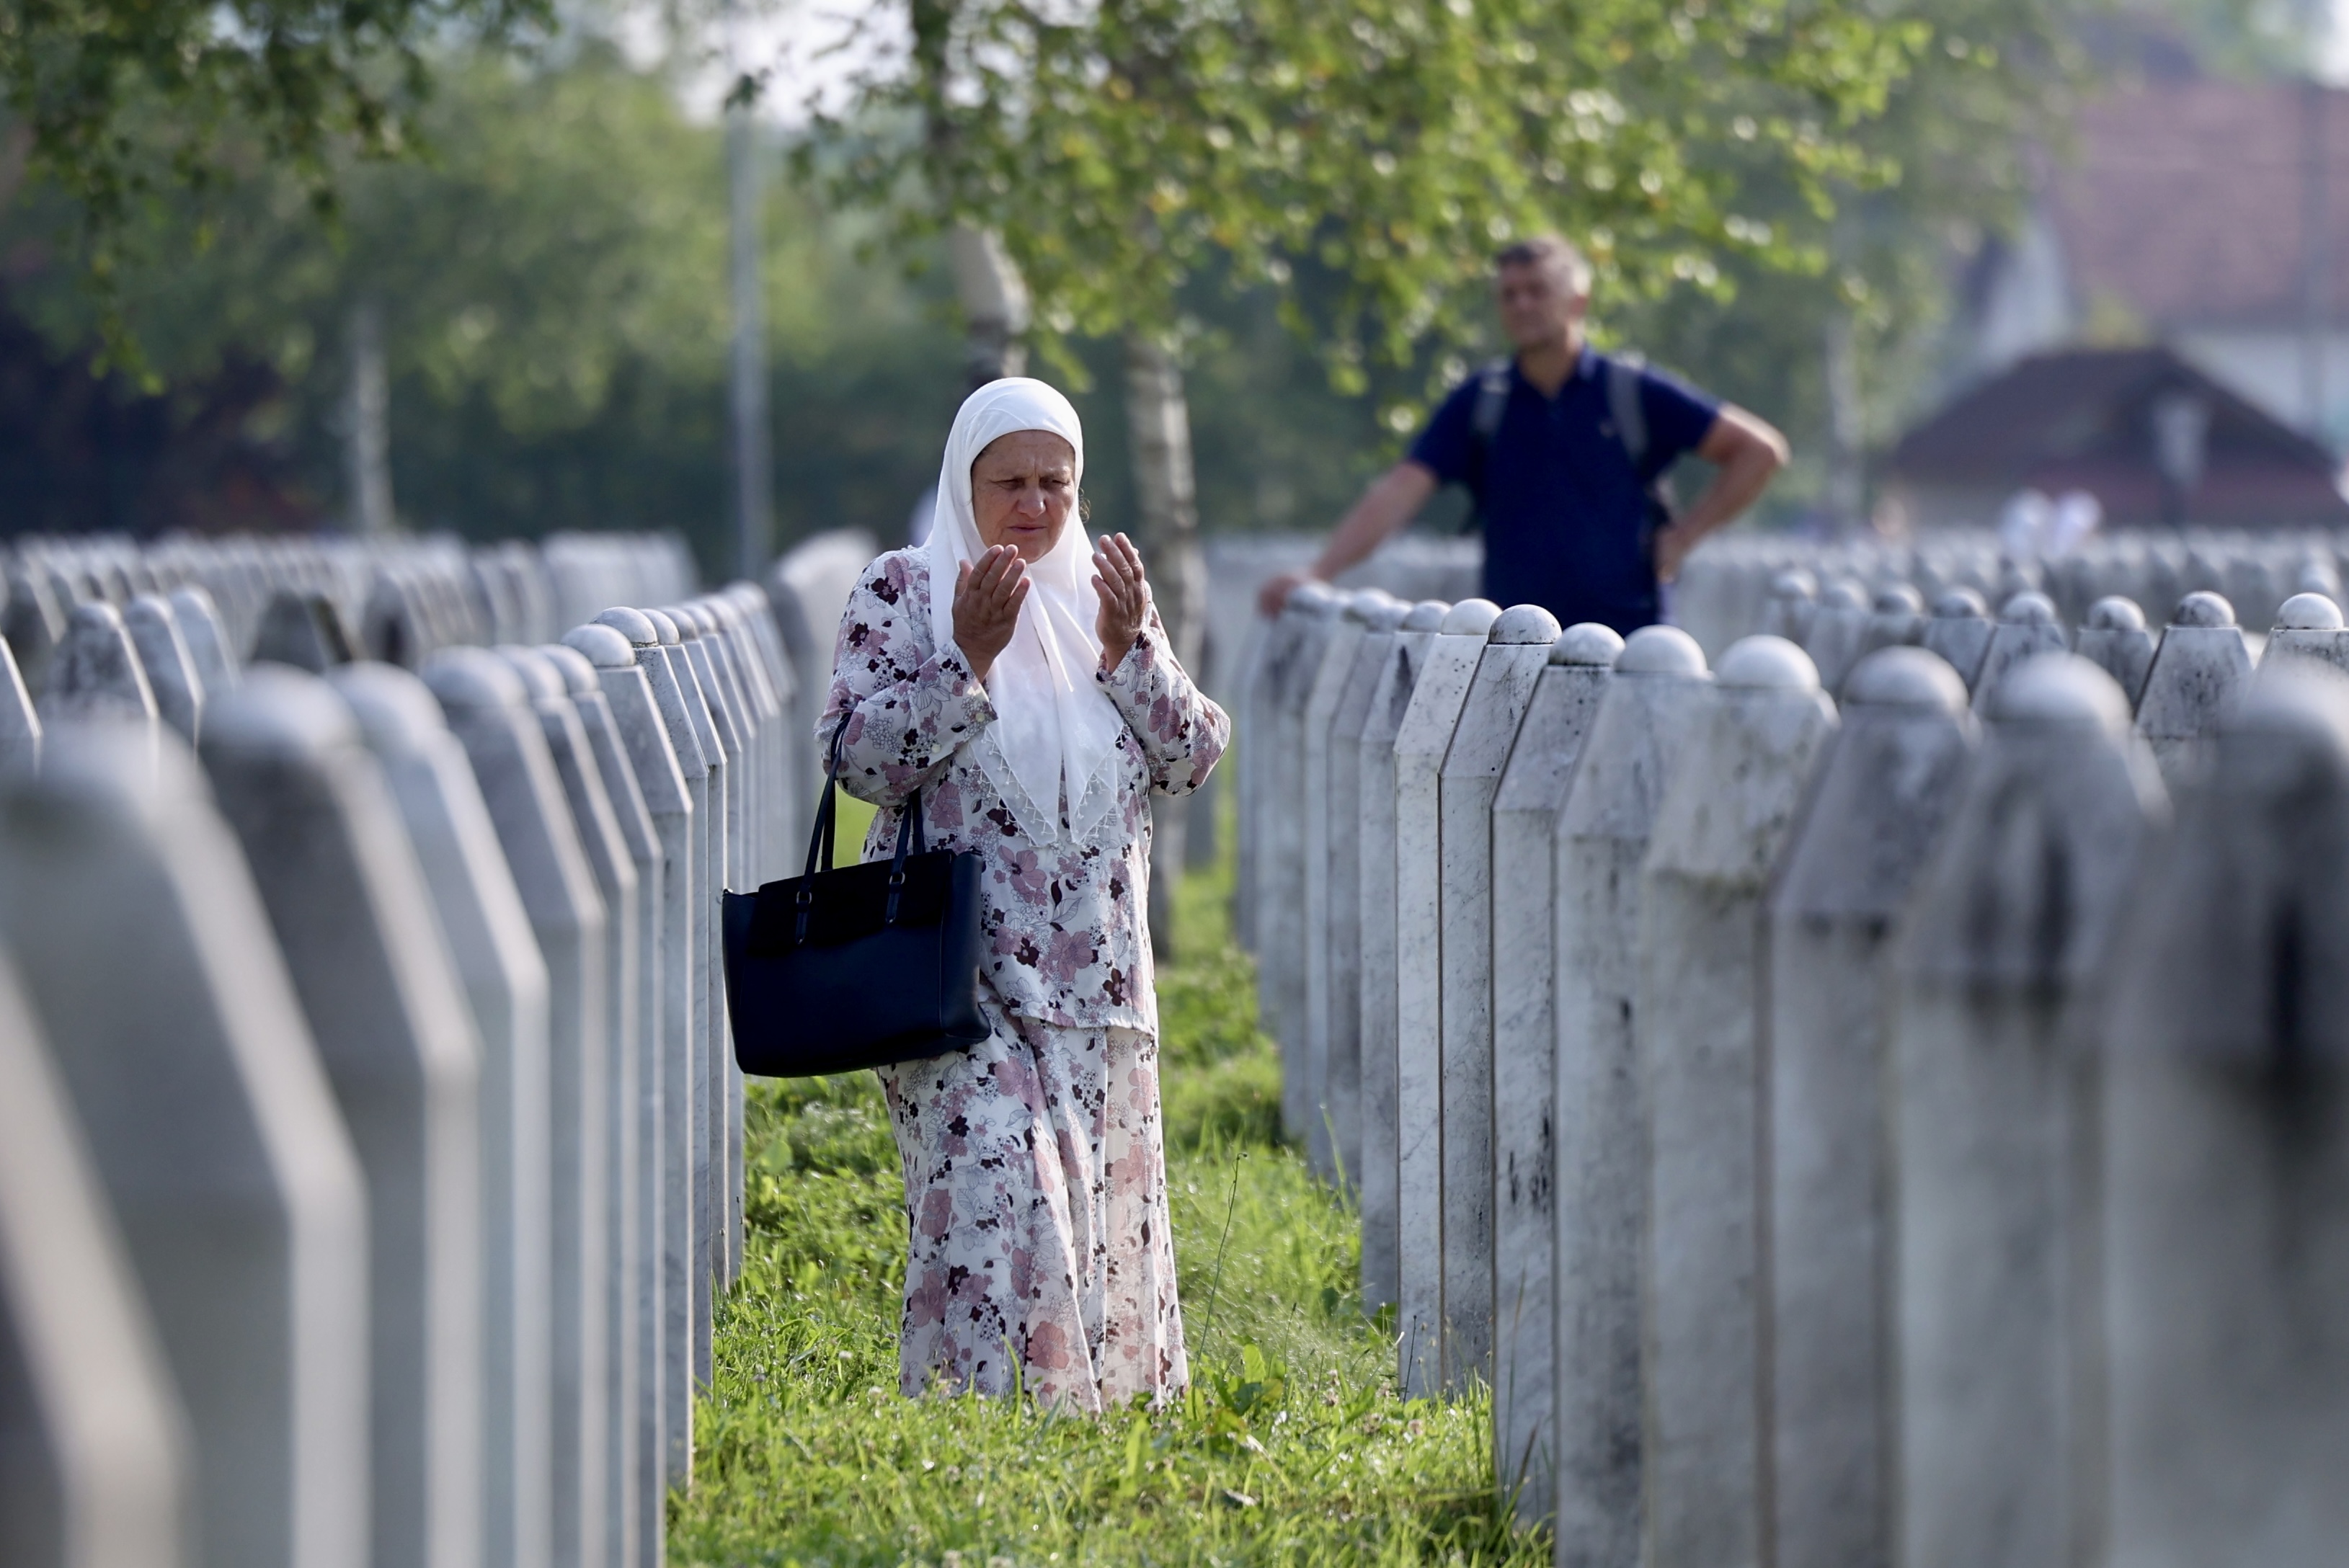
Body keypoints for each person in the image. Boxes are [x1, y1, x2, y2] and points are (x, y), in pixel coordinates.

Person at [820, 377, 1228, 1411]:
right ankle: (973, 1436)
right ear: (965, 482)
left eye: (1055, 481)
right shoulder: (902, 592)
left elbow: (1190, 758)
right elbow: (855, 756)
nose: (1034, 506)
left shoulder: (1105, 594)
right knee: (999, 1193)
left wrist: (1131, 650)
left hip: (1094, 990)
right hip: (957, 977)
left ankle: (1080, 1447)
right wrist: (965, 659)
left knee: (1083, 1216)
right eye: (1009, 482)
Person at [1258, 234, 1789, 631]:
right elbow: (1400, 491)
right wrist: (1319, 571)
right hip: (1514, 651)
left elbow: (1759, 451)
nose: (1521, 305)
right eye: (1508, 295)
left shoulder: (1630, 392)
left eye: (1537, 291)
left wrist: (1685, 536)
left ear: (1577, 301)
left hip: (1631, 647)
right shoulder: (1481, 403)